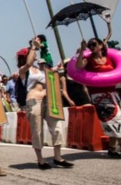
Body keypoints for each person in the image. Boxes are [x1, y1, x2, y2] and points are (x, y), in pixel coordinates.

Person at [18, 38, 74, 169]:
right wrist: (33, 47)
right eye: (32, 53)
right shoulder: (24, 70)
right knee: (37, 131)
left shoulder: (41, 69)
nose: (36, 54)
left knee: (57, 128)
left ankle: (58, 157)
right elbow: (29, 62)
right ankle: (40, 159)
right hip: (34, 101)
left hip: (49, 100)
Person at [76, 27, 121, 158]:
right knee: (114, 120)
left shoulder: (110, 58)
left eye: (94, 44)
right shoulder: (88, 60)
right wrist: (82, 50)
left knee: (115, 121)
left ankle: (112, 149)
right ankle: (115, 148)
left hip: (113, 93)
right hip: (99, 96)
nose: (92, 47)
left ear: (101, 45)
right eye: (90, 45)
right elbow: (78, 67)